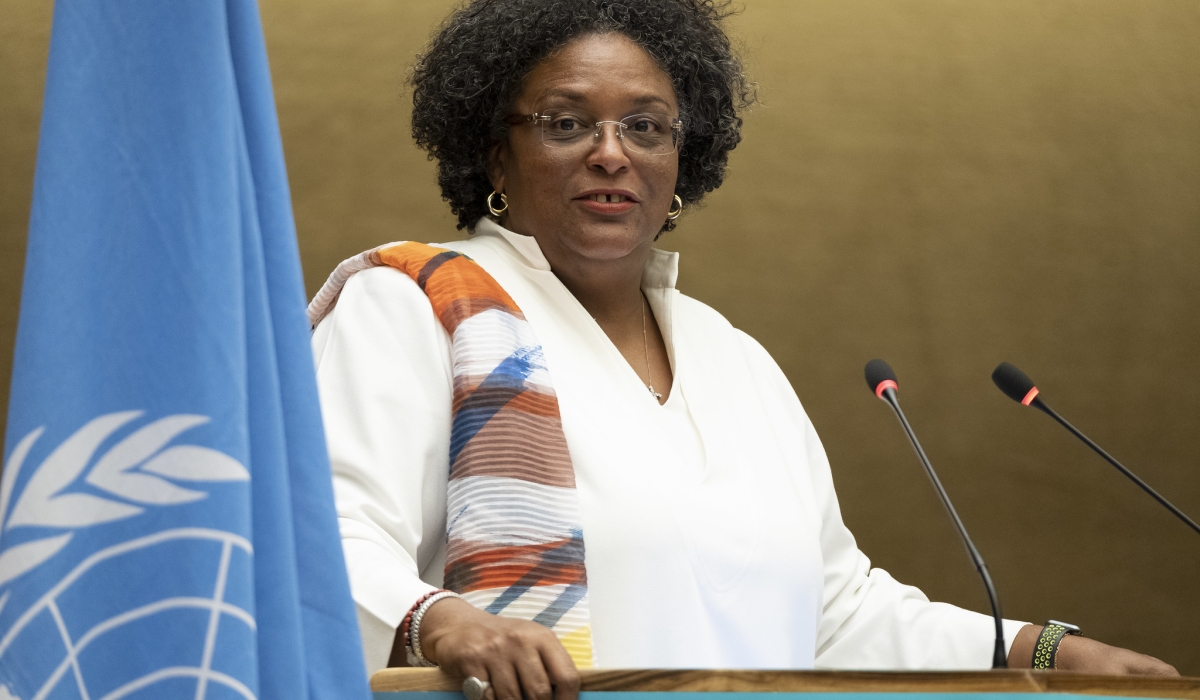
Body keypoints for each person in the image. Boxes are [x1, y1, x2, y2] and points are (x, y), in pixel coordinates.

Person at [309, 0, 1178, 694]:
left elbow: (836, 613)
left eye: (647, 127)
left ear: (684, 162)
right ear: (495, 156)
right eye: (567, 123)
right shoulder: (414, 308)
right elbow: (325, 535)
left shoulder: (737, 362)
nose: (613, 154)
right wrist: (444, 620)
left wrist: (1045, 649)